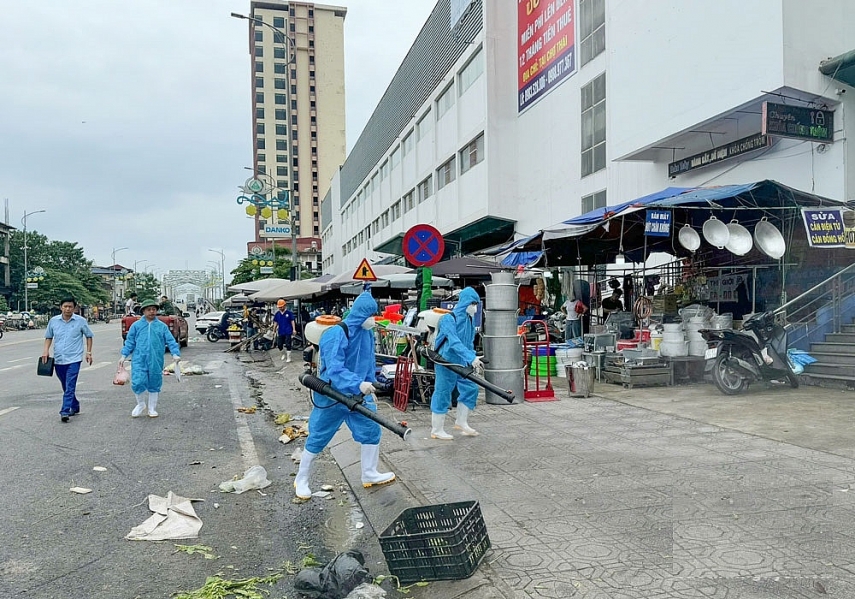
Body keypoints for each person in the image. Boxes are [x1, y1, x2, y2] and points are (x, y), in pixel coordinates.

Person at [294, 291, 395, 500]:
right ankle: (301, 479)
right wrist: (358, 384)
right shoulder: (335, 334)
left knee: (371, 431)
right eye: (370, 315)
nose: (373, 320)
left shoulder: (366, 333)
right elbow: (334, 369)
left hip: (358, 395)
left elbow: (367, 361)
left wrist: (370, 386)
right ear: (359, 314)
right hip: (332, 396)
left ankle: (369, 473)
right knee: (318, 436)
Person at [429, 287, 483, 440]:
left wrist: (473, 358)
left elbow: (469, 342)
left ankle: (461, 422)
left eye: (476, 304)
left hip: (462, 361)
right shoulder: (448, 319)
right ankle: (436, 429)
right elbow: (454, 342)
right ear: (465, 302)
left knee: (470, 388)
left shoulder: (469, 319)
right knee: (443, 392)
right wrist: (470, 357)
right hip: (445, 361)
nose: (475, 307)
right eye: (473, 303)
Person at [120, 298, 181, 418]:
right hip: (139, 359)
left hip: (156, 359)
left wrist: (175, 353)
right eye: (149, 309)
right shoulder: (136, 326)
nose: (152, 312)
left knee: (154, 382)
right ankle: (140, 404)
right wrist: (123, 355)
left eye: (154, 309)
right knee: (138, 382)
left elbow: (171, 341)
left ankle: (152, 408)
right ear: (143, 311)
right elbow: (130, 341)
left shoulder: (161, 326)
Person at [42, 296, 94, 423]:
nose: (67, 309)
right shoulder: (54, 321)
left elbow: (89, 336)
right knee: (66, 385)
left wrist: (88, 352)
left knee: (70, 384)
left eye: (70, 306)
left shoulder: (81, 321)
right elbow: (48, 337)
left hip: (74, 358)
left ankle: (65, 411)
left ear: (74, 308)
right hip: (59, 359)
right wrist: (45, 350)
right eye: (65, 306)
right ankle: (75, 405)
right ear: (61, 307)